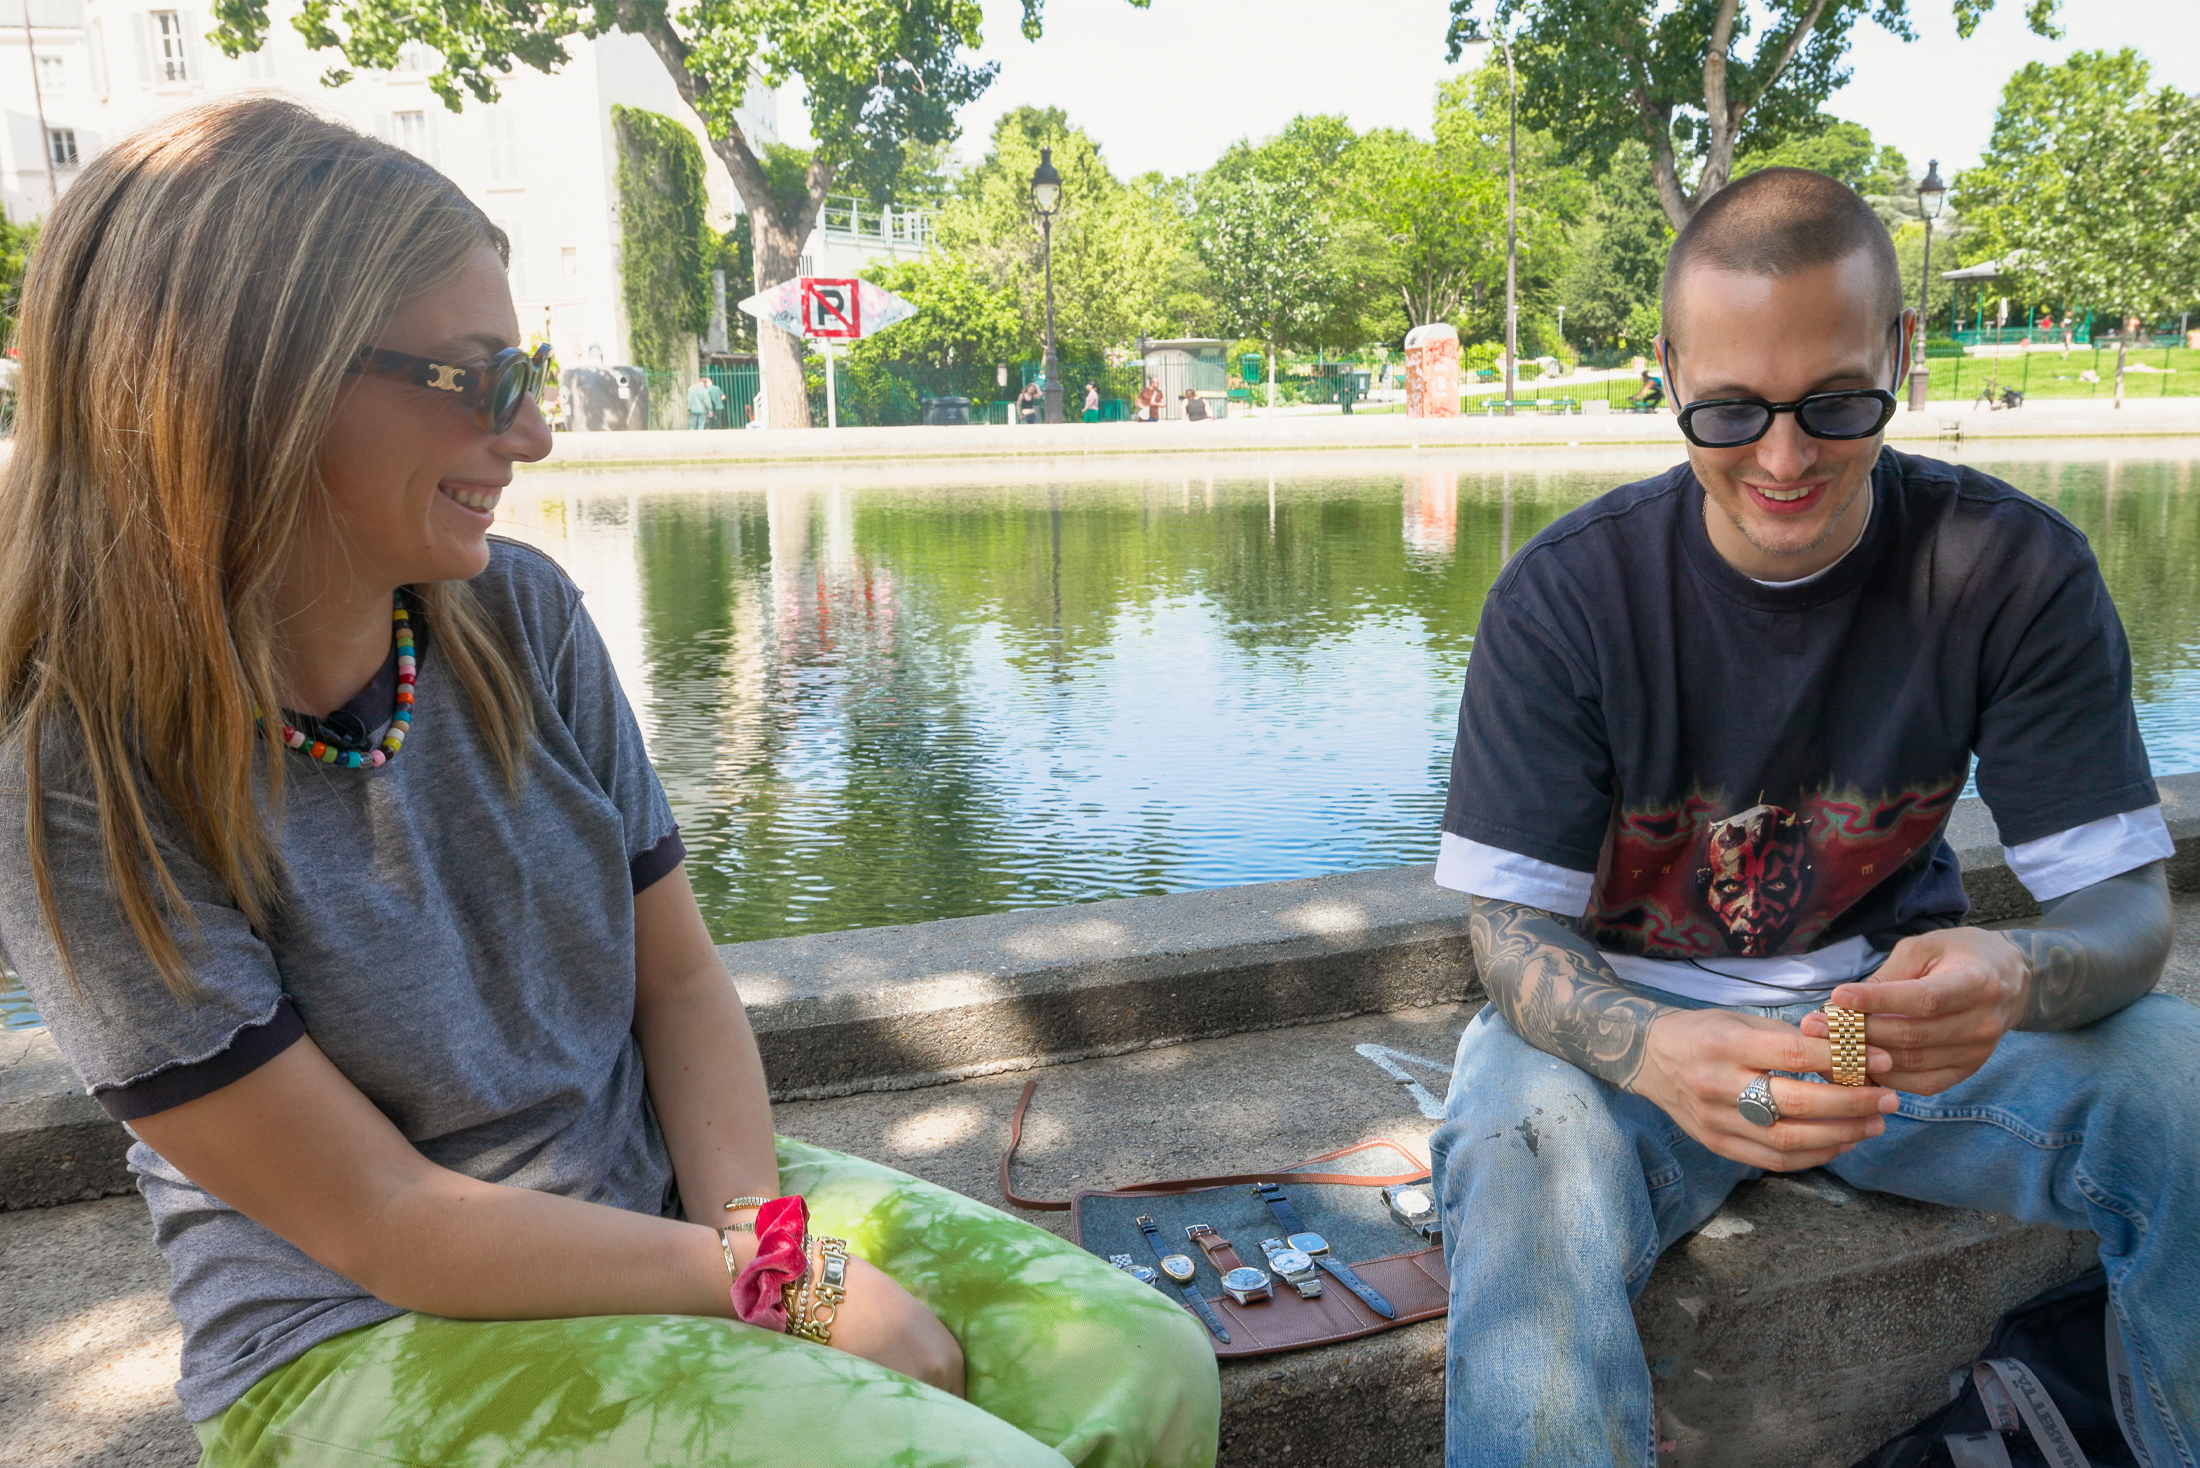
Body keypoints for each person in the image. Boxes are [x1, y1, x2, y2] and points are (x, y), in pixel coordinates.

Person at [0, 97, 1217, 1468]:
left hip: (651, 1208)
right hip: (358, 1340)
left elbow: (680, 984)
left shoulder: (521, 618)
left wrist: (758, 1239)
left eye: (531, 372)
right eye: (477, 379)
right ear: (246, 388)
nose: (533, 438)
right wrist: (780, 1287)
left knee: (1146, 1365)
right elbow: (387, 1223)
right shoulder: (72, 776)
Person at [1428, 166, 2196, 1468]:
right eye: (1728, 412)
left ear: (1901, 352)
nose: (1784, 461)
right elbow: (1508, 936)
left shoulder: (2011, 569)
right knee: (1518, 1153)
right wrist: (1654, 1053)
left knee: (2185, 1090)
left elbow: (2127, 921)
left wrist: (2018, 970)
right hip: (1633, 1053)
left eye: (1838, 403)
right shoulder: (1563, 598)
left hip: (1887, 1049)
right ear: (1665, 371)